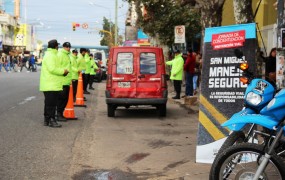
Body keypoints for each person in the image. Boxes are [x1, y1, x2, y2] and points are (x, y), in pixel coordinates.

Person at [39, 39, 69, 128]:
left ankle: (47, 120)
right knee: (51, 104)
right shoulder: (51, 55)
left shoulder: (50, 54)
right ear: (56, 46)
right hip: (51, 84)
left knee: (49, 103)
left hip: (51, 83)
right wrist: (63, 71)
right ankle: (52, 120)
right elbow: (52, 69)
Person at [56, 42, 72, 121]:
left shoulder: (67, 55)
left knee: (65, 99)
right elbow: (57, 67)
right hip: (62, 81)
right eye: (66, 47)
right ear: (63, 47)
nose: (68, 48)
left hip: (67, 81)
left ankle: (60, 114)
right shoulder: (60, 54)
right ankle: (58, 114)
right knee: (61, 99)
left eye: (69, 47)